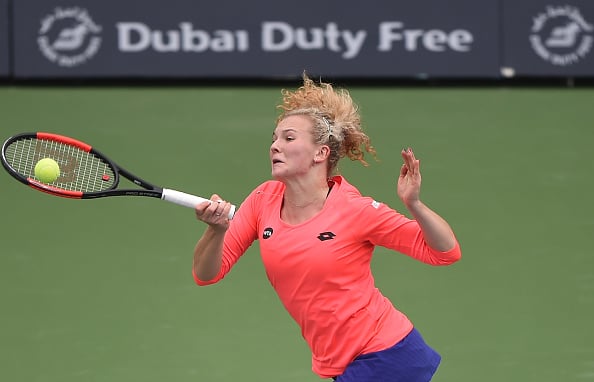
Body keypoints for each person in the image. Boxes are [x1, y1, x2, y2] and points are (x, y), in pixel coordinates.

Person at [192, 75, 462, 381]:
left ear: (321, 153)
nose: (275, 146)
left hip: (385, 354)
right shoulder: (262, 200)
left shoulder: (355, 210)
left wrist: (414, 204)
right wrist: (216, 230)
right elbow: (206, 274)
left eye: (289, 139)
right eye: (274, 138)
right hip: (346, 363)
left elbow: (445, 252)